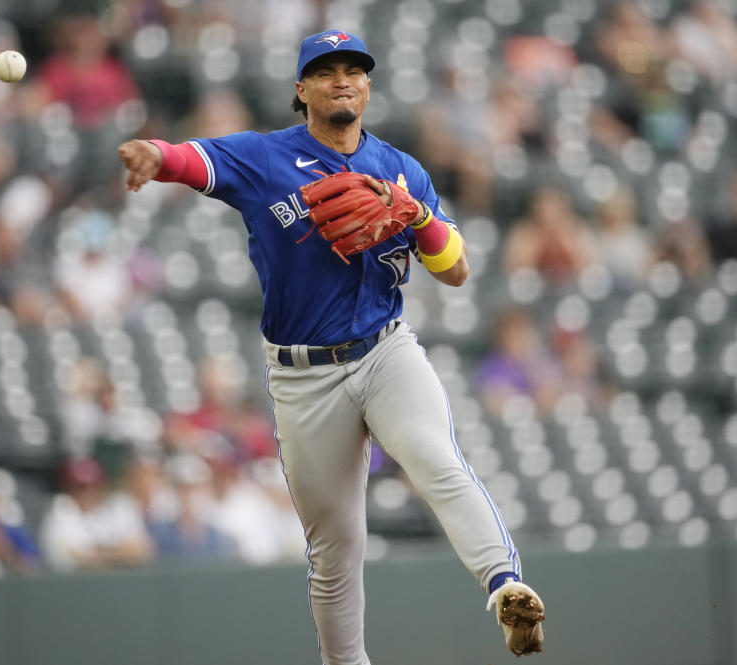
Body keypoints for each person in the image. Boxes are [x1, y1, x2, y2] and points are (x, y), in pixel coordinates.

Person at [117, 30, 544, 662]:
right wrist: (154, 154)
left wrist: (417, 216)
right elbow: (193, 159)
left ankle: (506, 586)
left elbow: (456, 269)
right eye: (324, 71)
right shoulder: (265, 158)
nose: (341, 79)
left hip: (384, 350)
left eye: (353, 70)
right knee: (336, 549)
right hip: (303, 377)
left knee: (436, 459)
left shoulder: (402, 170)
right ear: (301, 89)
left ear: (368, 85)